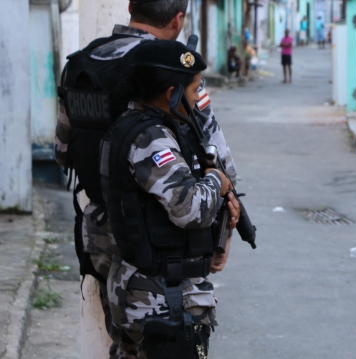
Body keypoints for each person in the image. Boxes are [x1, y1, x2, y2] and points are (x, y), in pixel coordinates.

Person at [54, 1, 238, 357]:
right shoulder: (169, 67)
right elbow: (216, 155)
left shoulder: (82, 64)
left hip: (102, 235)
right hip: (164, 238)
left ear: (130, 6)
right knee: (171, 340)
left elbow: (63, 151)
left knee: (125, 340)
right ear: (178, 19)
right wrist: (222, 233)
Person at [101, 40, 239, 359]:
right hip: (160, 297)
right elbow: (188, 208)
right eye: (193, 92)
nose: (196, 100)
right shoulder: (152, 139)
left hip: (144, 286)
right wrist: (216, 181)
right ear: (171, 94)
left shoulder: (130, 125)